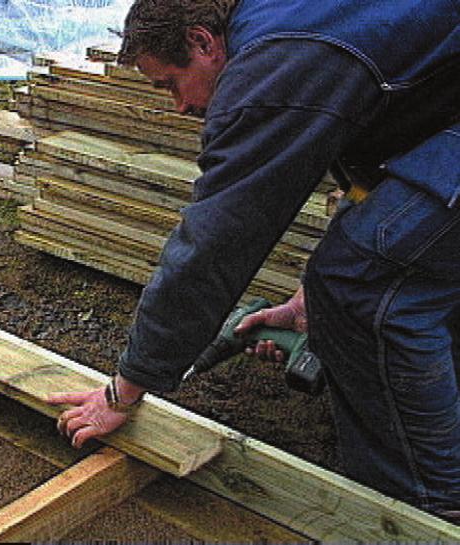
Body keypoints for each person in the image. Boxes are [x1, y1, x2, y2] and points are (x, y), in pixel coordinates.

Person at [48, 0, 460, 518]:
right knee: (368, 274)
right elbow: (380, 159)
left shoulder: (273, 68)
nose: (178, 106)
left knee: (363, 288)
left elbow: (216, 242)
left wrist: (124, 389)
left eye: (170, 83)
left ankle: (428, 504)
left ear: (202, 42)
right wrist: (311, 297)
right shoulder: (288, 25)